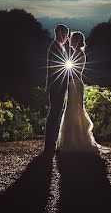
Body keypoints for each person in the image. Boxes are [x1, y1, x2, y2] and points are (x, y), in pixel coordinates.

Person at [56, 31, 101, 153]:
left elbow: (71, 71)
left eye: (71, 39)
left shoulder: (78, 54)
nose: (69, 40)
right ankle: (74, 140)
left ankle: (74, 141)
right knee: (73, 109)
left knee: (74, 110)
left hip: (74, 83)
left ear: (75, 41)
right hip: (75, 83)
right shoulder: (79, 53)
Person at [44, 24, 70, 154]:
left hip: (59, 85)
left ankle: (52, 143)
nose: (67, 37)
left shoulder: (60, 47)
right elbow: (54, 67)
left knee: (56, 113)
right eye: (66, 34)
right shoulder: (54, 47)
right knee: (54, 113)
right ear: (60, 33)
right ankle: (49, 144)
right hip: (56, 85)